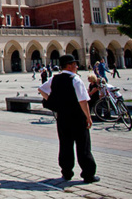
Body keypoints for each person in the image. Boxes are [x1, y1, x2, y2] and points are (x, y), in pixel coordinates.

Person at [38, 54, 99, 184]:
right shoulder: (75, 79)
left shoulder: (55, 79)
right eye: (75, 64)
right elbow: (83, 101)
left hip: (62, 118)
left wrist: (54, 101)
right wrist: (88, 117)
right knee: (83, 146)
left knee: (65, 145)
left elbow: (41, 89)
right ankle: (88, 175)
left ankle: (66, 173)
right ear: (70, 65)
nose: (77, 66)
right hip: (77, 118)